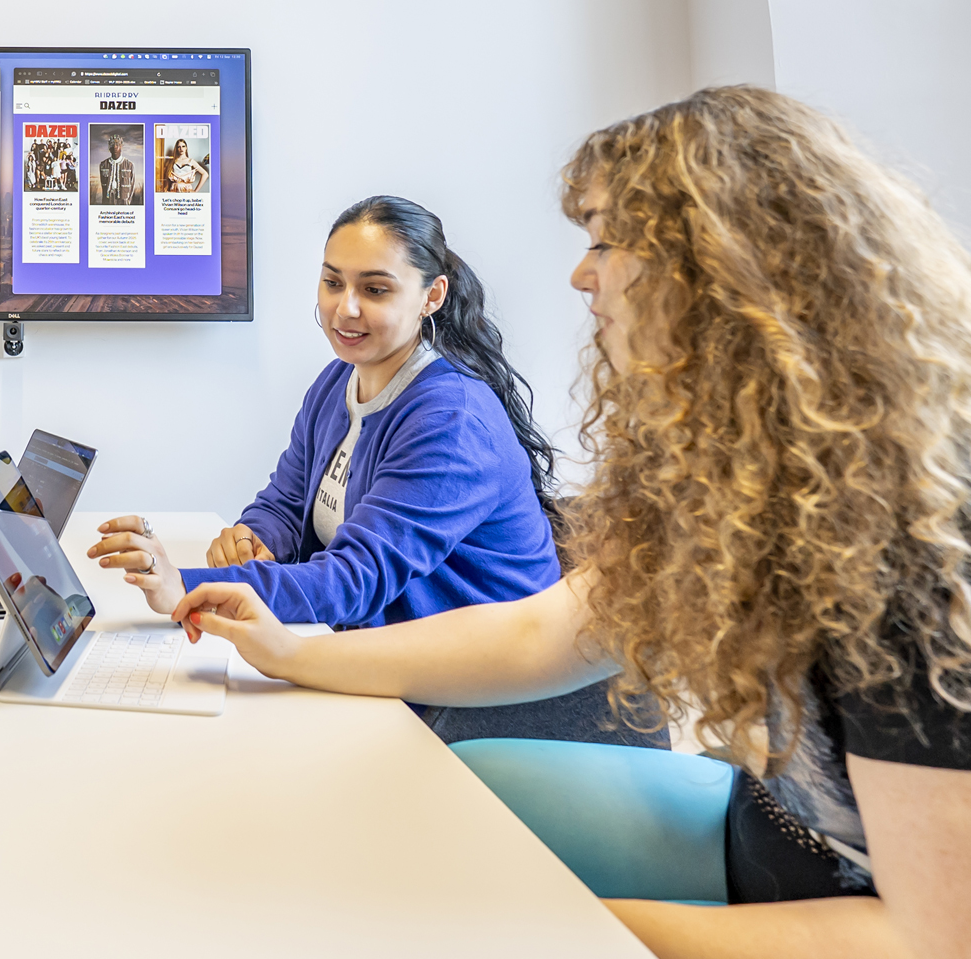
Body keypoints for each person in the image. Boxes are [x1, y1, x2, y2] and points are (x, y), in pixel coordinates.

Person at [174, 87, 971, 956]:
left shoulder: (911, 540)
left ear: (720, 265)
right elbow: (540, 632)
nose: (579, 274)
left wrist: (554, 925)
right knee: (396, 813)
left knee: (431, 906)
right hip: (756, 823)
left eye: (603, 243)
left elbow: (930, 937)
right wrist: (294, 652)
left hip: (842, 903)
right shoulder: (731, 465)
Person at [92, 195, 650, 747]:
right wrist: (255, 537)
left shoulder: (449, 419)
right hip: (389, 666)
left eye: (374, 289)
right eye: (333, 283)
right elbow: (287, 499)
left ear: (432, 296)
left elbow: (354, 579)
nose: (345, 308)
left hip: (483, 709)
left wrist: (183, 587)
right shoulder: (339, 381)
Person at [97, 134, 137, 205]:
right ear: (109, 148)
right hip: (108, 200)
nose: (115, 147)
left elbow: (132, 184)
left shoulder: (129, 165)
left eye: (117, 144)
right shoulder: (103, 165)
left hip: (123, 200)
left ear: (121, 147)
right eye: (112, 144)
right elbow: (103, 186)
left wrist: (128, 201)